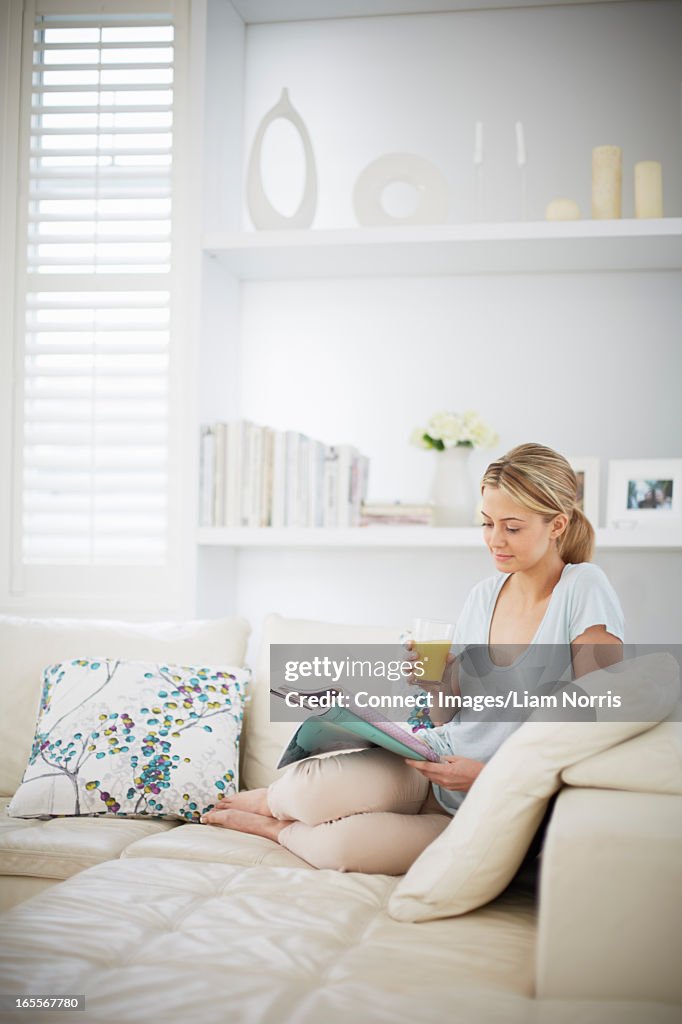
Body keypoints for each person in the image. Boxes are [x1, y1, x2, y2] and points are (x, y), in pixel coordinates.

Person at [200, 443, 625, 873]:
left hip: (491, 804)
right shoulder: (483, 596)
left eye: (512, 528)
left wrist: (486, 777)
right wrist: (440, 682)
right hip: (431, 764)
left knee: (342, 850)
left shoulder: (583, 589)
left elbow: (593, 728)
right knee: (311, 790)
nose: (495, 540)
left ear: (557, 525)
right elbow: (447, 720)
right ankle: (274, 802)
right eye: (487, 523)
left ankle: (275, 828)